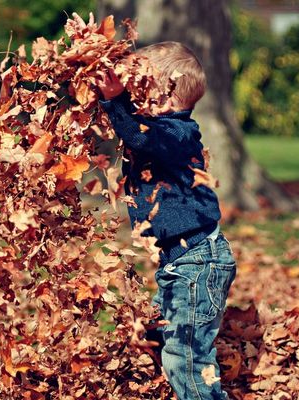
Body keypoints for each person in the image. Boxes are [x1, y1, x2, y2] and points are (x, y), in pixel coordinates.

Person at [97, 41, 237, 400]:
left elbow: (141, 139)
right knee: (154, 332)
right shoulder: (160, 131)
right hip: (181, 265)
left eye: (139, 87)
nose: (132, 93)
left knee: (186, 359)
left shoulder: (177, 134)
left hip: (197, 264)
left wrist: (114, 101)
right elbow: (135, 132)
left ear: (166, 96)